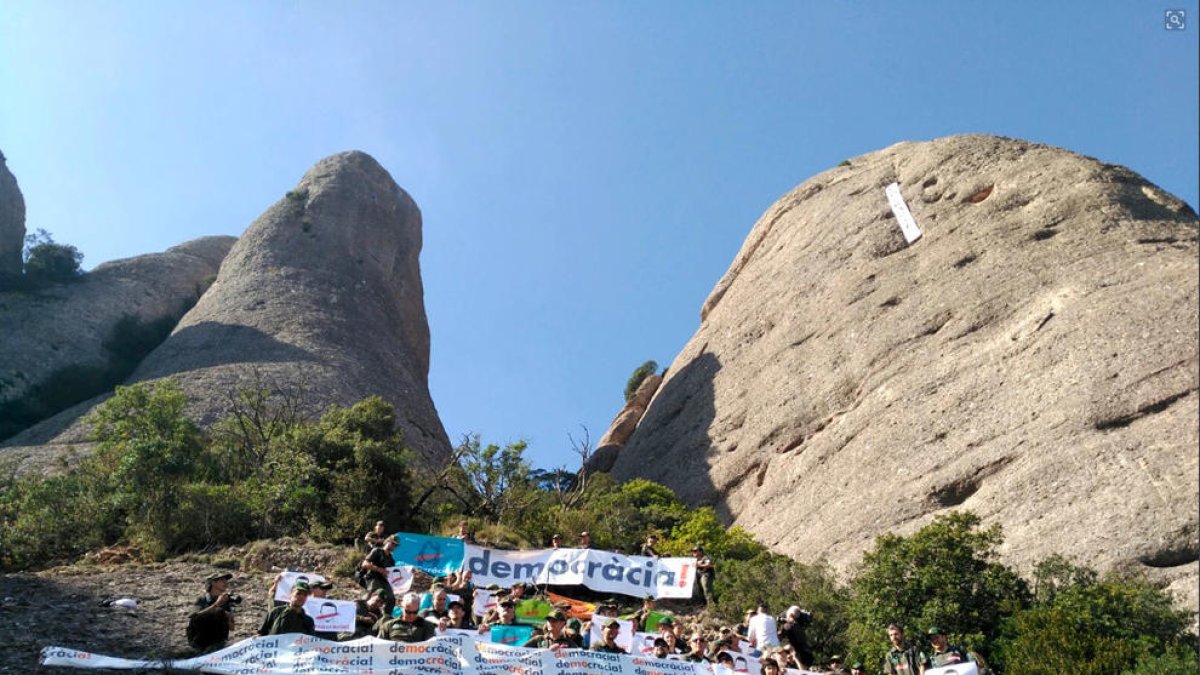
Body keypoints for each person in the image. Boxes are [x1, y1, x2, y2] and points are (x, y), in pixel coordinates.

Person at [187, 572, 236, 652]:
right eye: (222, 580)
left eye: (226, 580)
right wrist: (217, 604)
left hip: (219, 642)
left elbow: (232, 628)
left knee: (220, 612)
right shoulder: (202, 599)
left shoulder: (226, 601)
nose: (225, 583)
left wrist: (229, 617)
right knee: (218, 611)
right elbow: (194, 617)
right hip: (200, 641)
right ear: (213, 582)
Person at [361, 536, 398, 615]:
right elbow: (364, 564)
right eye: (392, 543)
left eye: (395, 545)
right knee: (372, 594)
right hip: (373, 577)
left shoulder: (391, 559)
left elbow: (391, 573)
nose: (393, 546)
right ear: (387, 541)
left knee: (391, 599)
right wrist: (379, 569)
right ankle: (359, 611)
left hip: (384, 581)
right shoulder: (377, 551)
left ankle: (385, 618)